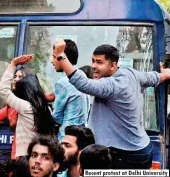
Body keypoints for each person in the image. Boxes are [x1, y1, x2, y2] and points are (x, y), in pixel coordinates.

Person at [53, 39, 170, 169]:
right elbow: (152, 78)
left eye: (99, 62)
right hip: (142, 149)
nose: (93, 66)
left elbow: (84, 84)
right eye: (93, 60)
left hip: (124, 155)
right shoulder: (130, 73)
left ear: (113, 66)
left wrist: (61, 56)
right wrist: (165, 74)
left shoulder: (112, 85)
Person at [0, 54, 56, 158]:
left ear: (25, 91)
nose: (15, 80)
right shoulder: (45, 109)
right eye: (15, 77)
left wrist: (13, 64)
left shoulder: (25, 107)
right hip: (37, 157)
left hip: (24, 157)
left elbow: (2, 90)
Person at [51, 39, 90, 140]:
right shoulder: (82, 76)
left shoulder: (63, 83)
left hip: (66, 137)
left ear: (63, 58)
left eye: (54, 57)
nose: (52, 61)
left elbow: (57, 117)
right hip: (81, 138)